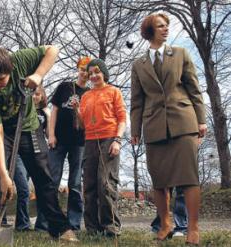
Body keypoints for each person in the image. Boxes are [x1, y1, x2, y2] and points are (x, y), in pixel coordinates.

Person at [0, 46, 77, 242]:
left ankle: (60, 228)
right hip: (4, 129)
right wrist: (4, 175)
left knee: (43, 176)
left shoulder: (19, 61)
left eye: (1, 79)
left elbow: (52, 50)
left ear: (11, 68)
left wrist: (38, 75)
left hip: (29, 127)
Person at [130, 13, 207, 245]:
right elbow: (136, 101)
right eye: (160, 26)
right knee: (159, 180)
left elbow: (194, 88)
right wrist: (136, 130)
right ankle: (165, 223)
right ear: (149, 31)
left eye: (166, 26)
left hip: (183, 122)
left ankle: (193, 228)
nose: (165, 29)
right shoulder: (138, 65)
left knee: (188, 177)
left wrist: (201, 120)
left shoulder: (181, 54)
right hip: (153, 125)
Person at [76, 58, 126, 236]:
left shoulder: (114, 91)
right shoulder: (86, 96)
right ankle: (92, 228)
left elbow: (122, 119)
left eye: (97, 72)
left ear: (103, 73)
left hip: (109, 138)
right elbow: (82, 125)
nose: (94, 76)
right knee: (89, 185)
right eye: (90, 74)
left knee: (105, 183)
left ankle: (111, 227)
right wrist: (77, 110)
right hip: (90, 141)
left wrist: (117, 140)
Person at [44, 56, 91, 230]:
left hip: (79, 143)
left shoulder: (90, 94)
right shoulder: (65, 87)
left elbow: (86, 122)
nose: (84, 73)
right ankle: (47, 222)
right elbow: (54, 110)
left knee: (75, 183)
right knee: (52, 180)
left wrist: (77, 109)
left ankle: (73, 224)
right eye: (82, 68)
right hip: (59, 141)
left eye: (88, 70)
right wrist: (51, 134)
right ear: (77, 69)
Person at [14, 85, 50, 231]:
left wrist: (49, 116)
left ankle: (42, 225)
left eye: (38, 94)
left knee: (42, 188)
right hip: (20, 153)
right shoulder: (21, 110)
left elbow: (48, 134)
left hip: (38, 152)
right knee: (23, 188)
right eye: (33, 94)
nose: (35, 96)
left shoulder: (44, 112)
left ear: (42, 97)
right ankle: (22, 224)